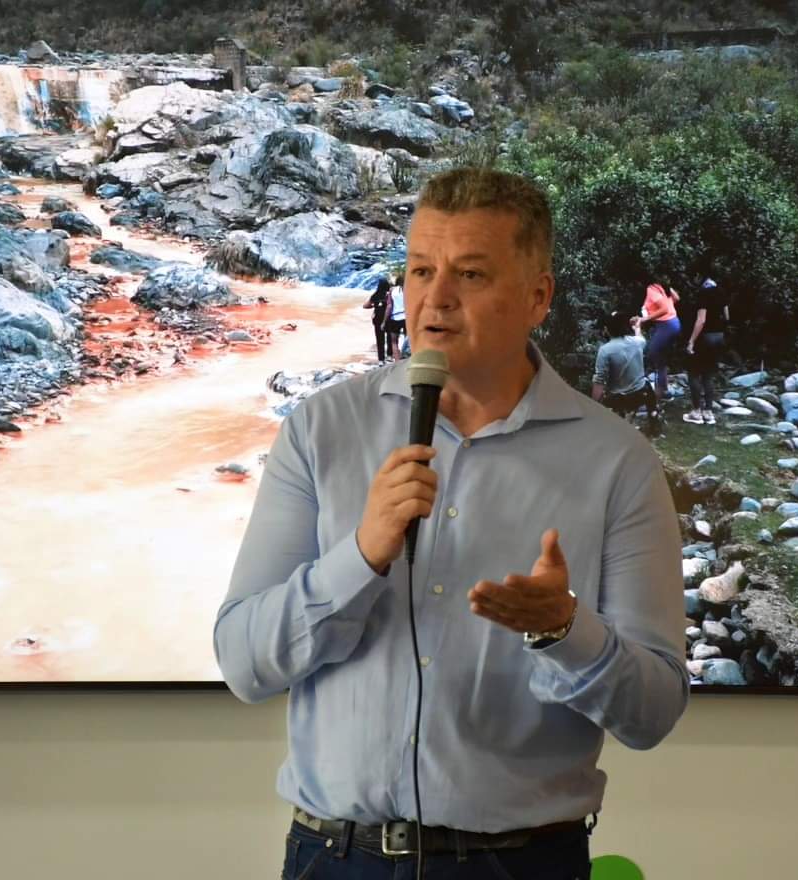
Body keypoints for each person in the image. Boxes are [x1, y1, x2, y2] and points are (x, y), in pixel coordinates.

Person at [214, 167, 687, 880]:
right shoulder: (321, 429)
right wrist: (361, 554)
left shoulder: (615, 462)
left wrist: (564, 629)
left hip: (519, 864)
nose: (433, 300)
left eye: (469, 274)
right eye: (419, 270)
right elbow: (245, 664)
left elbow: (651, 712)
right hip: (333, 859)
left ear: (537, 297)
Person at [591, 310, 662, 436]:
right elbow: (640, 337)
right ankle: (654, 424)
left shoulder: (605, 350)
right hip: (640, 394)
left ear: (606, 329)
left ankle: (618, 422)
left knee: (609, 395)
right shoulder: (637, 342)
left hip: (619, 399)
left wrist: (593, 404)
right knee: (647, 386)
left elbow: (599, 381)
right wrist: (637, 327)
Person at [683, 277, 729, 426]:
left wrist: (691, 341)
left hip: (705, 338)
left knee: (694, 373)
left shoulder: (703, 296)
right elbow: (727, 316)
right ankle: (708, 412)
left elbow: (701, 320)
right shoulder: (722, 295)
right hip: (719, 337)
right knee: (708, 375)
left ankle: (696, 412)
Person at [638, 281, 681, 399]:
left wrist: (645, 319)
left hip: (666, 325)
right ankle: (664, 390)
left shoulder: (651, 289)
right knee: (660, 358)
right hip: (673, 324)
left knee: (654, 354)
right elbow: (676, 298)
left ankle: (660, 393)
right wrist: (668, 287)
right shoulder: (660, 289)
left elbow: (664, 309)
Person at [363, 275, 392, 363]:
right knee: (389, 337)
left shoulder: (375, 295)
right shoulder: (389, 295)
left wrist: (374, 306)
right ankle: (390, 355)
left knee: (379, 339)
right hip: (388, 319)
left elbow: (365, 306)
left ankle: (381, 359)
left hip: (377, 319)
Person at [383, 275, 407, 360]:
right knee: (408, 340)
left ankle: (397, 362)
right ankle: (408, 358)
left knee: (394, 342)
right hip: (407, 317)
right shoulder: (410, 290)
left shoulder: (392, 290)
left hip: (395, 318)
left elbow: (389, 306)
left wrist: (384, 321)